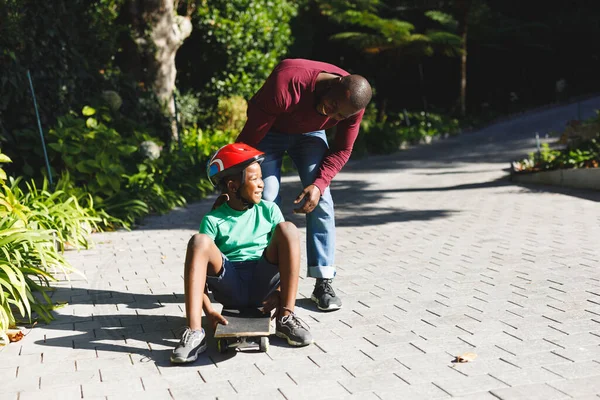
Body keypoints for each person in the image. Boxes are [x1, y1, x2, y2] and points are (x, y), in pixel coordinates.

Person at [235, 58, 373, 311]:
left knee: (321, 197)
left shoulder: (352, 105)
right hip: (270, 131)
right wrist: (234, 174)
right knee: (265, 197)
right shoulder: (287, 83)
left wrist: (319, 184)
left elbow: (343, 149)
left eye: (339, 116)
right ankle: (264, 276)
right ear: (335, 83)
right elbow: (251, 138)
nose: (331, 114)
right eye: (332, 105)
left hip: (310, 136)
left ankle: (323, 281)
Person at [171, 143, 312, 364]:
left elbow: (285, 254)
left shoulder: (269, 210)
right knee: (199, 242)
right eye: (255, 179)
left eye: (261, 178)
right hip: (230, 283)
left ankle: (286, 317)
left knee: (288, 229)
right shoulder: (213, 220)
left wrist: (280, 291)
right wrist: (208, 313)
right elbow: (199, 274)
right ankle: (195, 332)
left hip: (262, 281)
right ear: (233, 185)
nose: (262, 184)